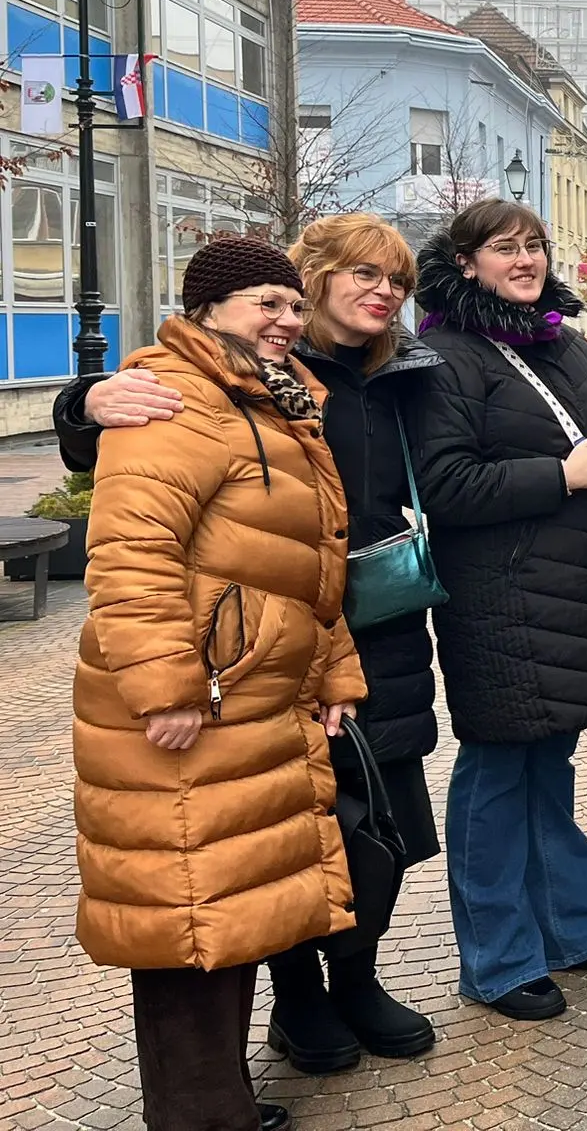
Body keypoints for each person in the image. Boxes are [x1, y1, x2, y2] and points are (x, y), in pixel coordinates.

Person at [56, 214, 444, 1075]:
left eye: (397, 280)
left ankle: (357, 981)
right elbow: (141, 468)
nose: (383, 292)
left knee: (376, 823)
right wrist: (81, 402)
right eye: (363, 273)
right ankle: (300, 1001)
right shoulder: (248, 370)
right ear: (316, 276)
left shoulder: (406, 371)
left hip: (368, 632)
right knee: (268, 832)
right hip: (258, 651)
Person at [73, 237, 364, 1131]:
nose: (286, 321)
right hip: (191, 705)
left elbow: (307, 564)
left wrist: (335, 670)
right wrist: (165, 688)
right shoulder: (173, 399)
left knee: (226, 912)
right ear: (207, 311)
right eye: (264, 304)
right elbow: (131, 553)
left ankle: (219, 1103)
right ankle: (201, 1117)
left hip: (249, 701)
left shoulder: (273, 402)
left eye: (293, 304)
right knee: (186, 922)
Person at [411, 199, 587, 1021]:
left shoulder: (563, 343)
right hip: (498, 598)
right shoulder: (445, 355)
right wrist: (561, 477)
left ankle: (574, 930)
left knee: (551, 767)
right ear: (467, 261)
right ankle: (498, 960)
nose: (525, 260)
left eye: (535, 246)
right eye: (504, 248)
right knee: (494, 775)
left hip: (572, 588)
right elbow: (444, 485)